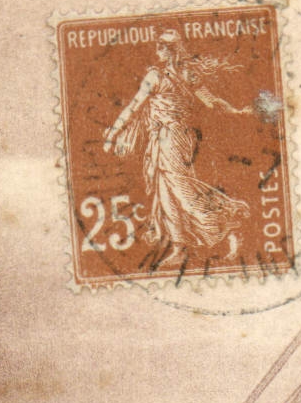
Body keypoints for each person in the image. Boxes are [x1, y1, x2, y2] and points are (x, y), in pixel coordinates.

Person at [101, 30, 254, 266]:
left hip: (172, 137)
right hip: (168, 138)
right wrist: (234, 110)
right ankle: (180, 246)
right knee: (165, 192)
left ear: (168, 50)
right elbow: (210, 100)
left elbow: (134, 107)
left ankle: (227, 221)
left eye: (161, 48)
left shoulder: (161, 75)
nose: (158, 51)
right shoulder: (182, 73)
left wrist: (113, 132)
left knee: (182, 190)